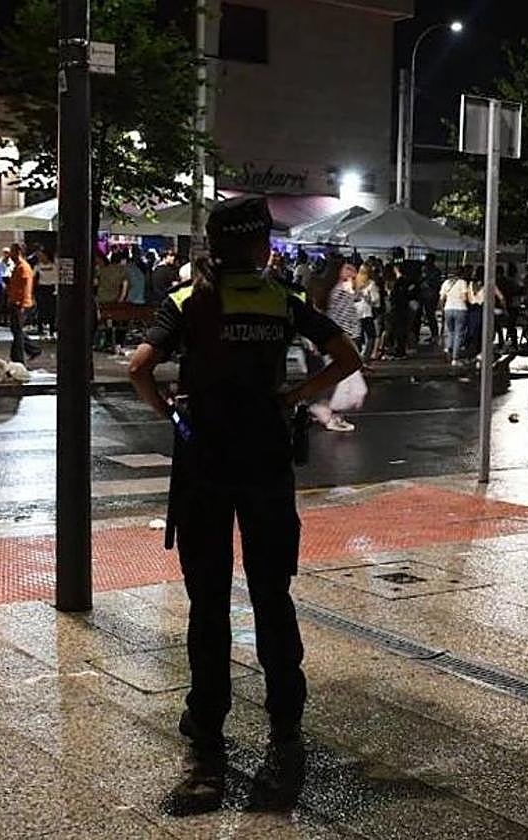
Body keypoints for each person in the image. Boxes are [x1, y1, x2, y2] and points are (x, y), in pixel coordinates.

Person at [129, 196, 360, 813]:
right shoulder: (283, 302)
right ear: (260, 246)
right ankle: (285, 730)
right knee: (271, 598)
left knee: (207, 605)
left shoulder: (188, 302)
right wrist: (292, 397)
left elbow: (139, 366)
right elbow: (347, 358)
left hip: (204, 466)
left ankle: (206, 747)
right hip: (265, 465)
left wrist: (168, 411)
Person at [308, 258, 361, 432]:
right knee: (352, 388)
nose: (352, 271)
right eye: (347, 268)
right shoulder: (340, 292)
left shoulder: (332, 290)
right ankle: (327, 413)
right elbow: (344, 319)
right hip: (341, 341)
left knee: (344, 384)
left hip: (335, 341)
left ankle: (327, 412)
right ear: (339, 271)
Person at [7, 243, 42, 364]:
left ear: (18, 252)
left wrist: (22, 304)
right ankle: (30, 350)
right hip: (16, 302)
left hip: (20, 303)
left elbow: (26, 288)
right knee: (16, 330)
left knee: (17, 331)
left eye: (12, 252)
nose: (10, 255)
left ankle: (19, 357)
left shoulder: (23, 267)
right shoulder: (18, 266)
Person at [440, 265, 471, 364]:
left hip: (448, 309)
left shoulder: (446, 282)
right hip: (460, 309)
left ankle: (448, 349)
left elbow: (441, 298)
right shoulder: (463, 282)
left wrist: (443, 309)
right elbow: (465, 298)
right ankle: (455, 358)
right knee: (459, 334)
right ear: (462, 273)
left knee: (450, 332)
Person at [34, 248, 58, 337]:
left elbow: (56, 278)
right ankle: (40, 328)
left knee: (51, 310)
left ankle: (51, 330)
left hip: (51, 288)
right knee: (41, 309)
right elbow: (33, 277)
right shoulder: (38, 266)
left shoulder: (54, 266)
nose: (42, 257)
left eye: (43, 256)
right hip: (42, 288)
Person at [0, 247, 13, 325]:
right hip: (1, 281)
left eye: (8, 253)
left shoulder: (12, 263)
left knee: (8, 302)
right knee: (1, 301)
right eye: (5, 253)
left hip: (10, 281)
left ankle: (7, 319)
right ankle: (0, 318)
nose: (6, 254)